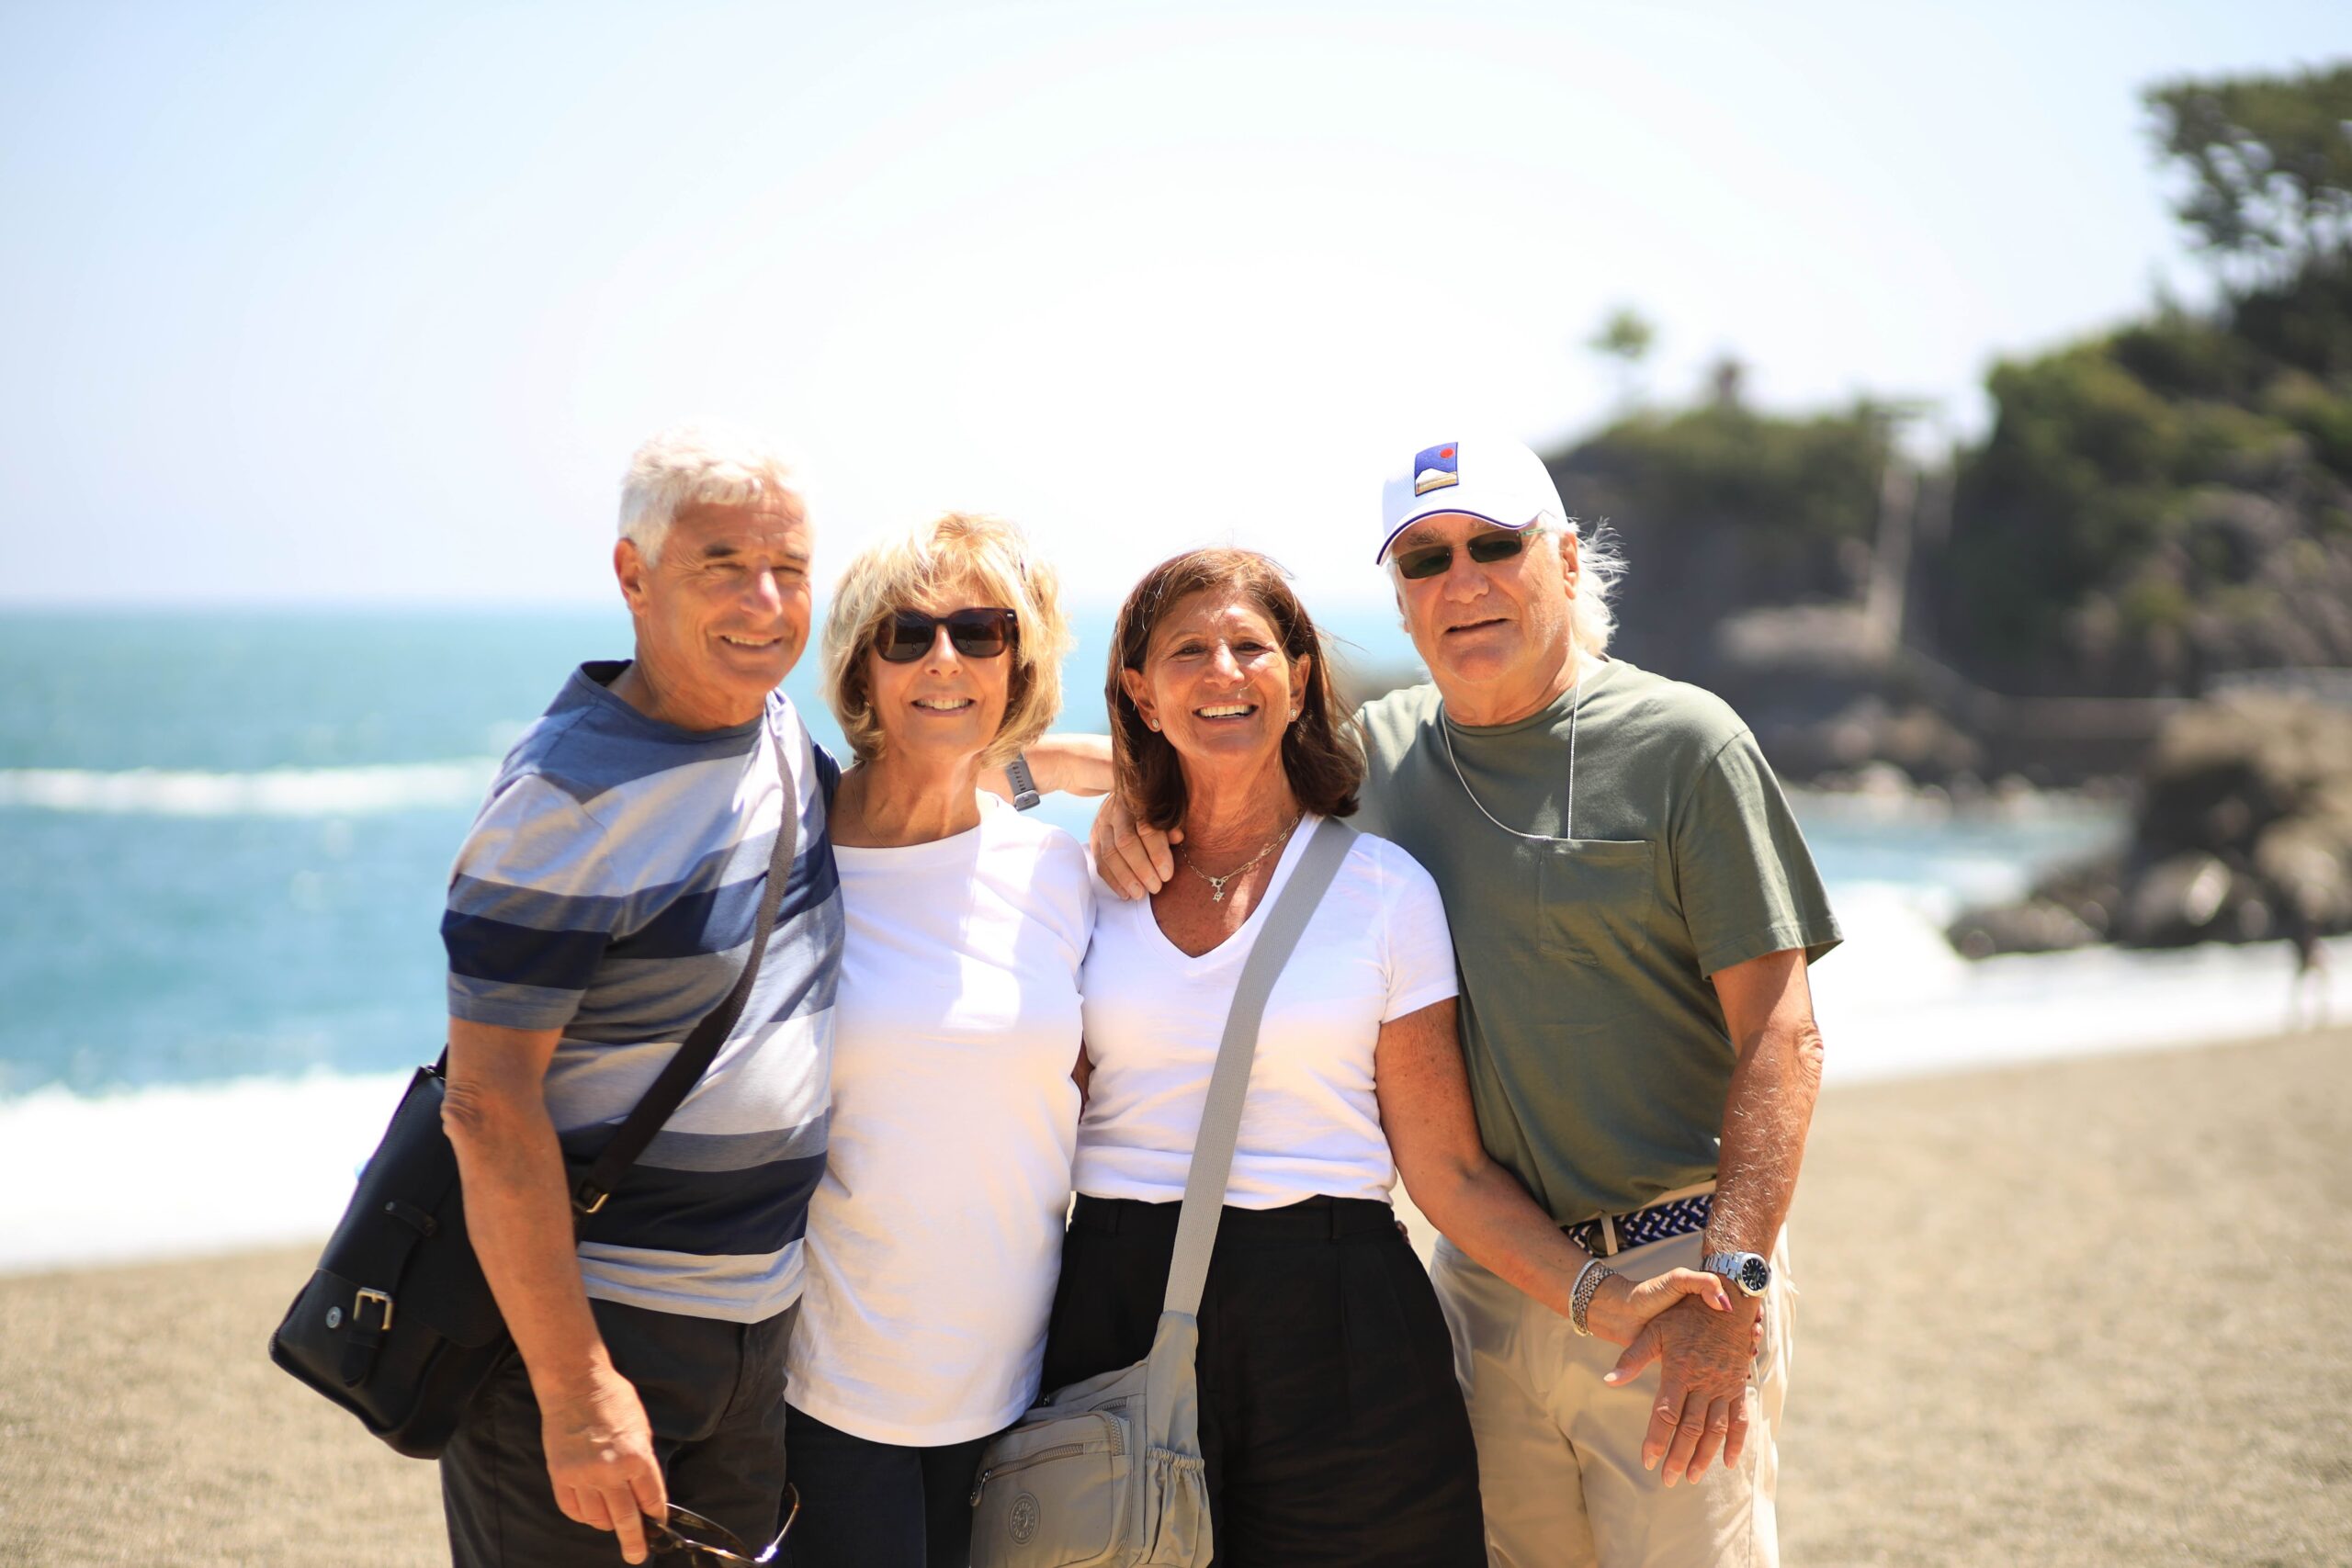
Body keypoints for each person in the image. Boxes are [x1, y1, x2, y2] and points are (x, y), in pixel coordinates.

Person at [1096, 437, 1840, 1568]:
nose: (1465, 582)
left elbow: (1782, 1038)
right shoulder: (1374, 757)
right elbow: (1213, 750)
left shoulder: (1687, 744)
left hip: (1677, 1267)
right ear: (1400, 603)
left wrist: (1733, 1286)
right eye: (1426, 560)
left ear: (1569, 562)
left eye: (1495, 546)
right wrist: (1106, 807)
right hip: (1489, 1281)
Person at [436, 427, 836, 1566]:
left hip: (756, 1337)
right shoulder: (561, 801)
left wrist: (1070, 773)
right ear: (632, 576)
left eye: (791, 569)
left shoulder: (776, 737)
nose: (766, 601)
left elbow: (904, 806)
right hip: (597, 1342)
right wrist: (577, 1393)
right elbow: (487, 1107)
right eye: (723, 564)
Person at [780, 513, 1094, 1568]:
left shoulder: (1060, 876)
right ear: (863, 669)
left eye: (980, 630)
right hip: (826, 1391)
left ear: (1023, 659)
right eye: (905, 634)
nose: (944, 658)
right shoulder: (791, 861)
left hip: (1022, 1383)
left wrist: (1114, 776)